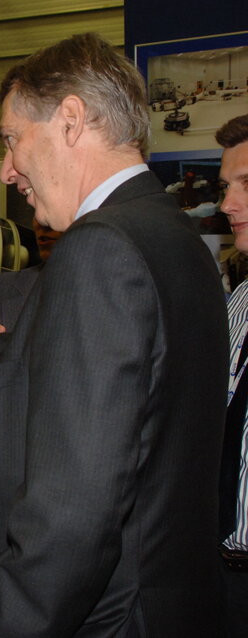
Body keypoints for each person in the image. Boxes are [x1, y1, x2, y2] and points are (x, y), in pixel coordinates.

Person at [0, 33, 228, 636]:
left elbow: (74, 516)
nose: (6, 170)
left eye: (11, 139)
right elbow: (49, 379)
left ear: (72, 120)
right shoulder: (176, 238)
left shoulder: (100, 249)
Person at [216, 112, 248, 637]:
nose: (226, 205)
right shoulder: (239, 303)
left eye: (246, 185)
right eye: (225, 187)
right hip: (224, 577)